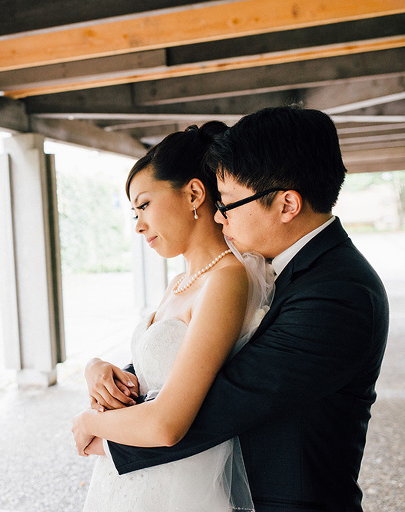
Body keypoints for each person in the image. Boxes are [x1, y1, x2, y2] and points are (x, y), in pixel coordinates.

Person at [79, 106, 389, 512]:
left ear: (287, 205)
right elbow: (203, 357)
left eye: (228, 203)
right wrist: (115, 378)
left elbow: (222, 401)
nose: (220, 218)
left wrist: (102, 431)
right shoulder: (277, 270)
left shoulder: (338, 293)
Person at [72, 120, 274, 511]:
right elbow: (157, 376)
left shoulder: (227, 279)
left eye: (144, 205)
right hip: (135, 478)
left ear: (194, 193)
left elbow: (168, 423)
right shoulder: (181, 282)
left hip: (178, 484)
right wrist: (99, 370)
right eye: (134, 212)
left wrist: (89, 423)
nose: (138, 225)